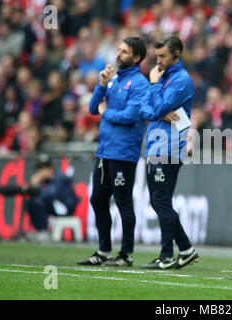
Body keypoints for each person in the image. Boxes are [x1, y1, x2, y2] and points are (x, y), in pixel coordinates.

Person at [77, 37, 149, 267]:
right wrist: (101, 84)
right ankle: (104, 250)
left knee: (123, 202)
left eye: (124, 52)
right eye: (118, 50)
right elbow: (91, 108)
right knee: (97, 199)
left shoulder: (140, 84)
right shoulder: (114, 79)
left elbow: (129, 116)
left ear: (136, 57)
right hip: (104, 151)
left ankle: (126, 254)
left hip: (124, 152)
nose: (118, 54)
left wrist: (105, 112)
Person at [139, 35, 199, 270]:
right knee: (159, 201)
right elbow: (144, 108)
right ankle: (184, 249)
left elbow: (160, 106)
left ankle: (166, 256)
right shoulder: (164, 76)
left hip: (169, 147)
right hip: (156, 145)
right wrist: (158, 109)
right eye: (156, 57)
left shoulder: (181, 80)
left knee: (161, 201)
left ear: (177, 55)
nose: (159, 61)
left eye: (163, 56)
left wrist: (154, 87)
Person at [24, 154, 77, 242]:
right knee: (31, 201)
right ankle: (39, 230)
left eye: (45, 167)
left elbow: (51, 195)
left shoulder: (60, 178)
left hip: (65, 208)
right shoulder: (46, 181)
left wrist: (36, 185)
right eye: (39, 167)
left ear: (50, 167)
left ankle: (43, 232)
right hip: (55, 205)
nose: (41, 170)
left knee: (38, 201)